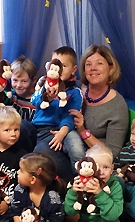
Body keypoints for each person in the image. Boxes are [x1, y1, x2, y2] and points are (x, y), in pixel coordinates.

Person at [31, 46, 86, 182]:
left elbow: (71, 114)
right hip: (41, 129)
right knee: (37, 144)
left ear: (73, 70)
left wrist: (63, 131)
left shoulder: (74, 92)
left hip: (64, 129)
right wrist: (47, 98)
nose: (58, 69)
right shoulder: (44, 84)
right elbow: (34, 101)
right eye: (54, 65)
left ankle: (81, 179)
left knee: (77, 148)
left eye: (63, 66)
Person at [70, 44, 129, 159]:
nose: (93, 68)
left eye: (99, 63)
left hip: (89, 160)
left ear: (111, 69)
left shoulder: (117, 105)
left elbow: (112, 152)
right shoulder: (74, 90)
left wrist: (83, 131)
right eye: (88, 64)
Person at [10, 55, 38, 153]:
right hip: (10, 136)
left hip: (29, 138)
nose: (18, 85)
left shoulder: (37, 101)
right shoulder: (10, 96)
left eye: (24, 81)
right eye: (15, 80)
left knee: (22, 125)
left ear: (33, 81)